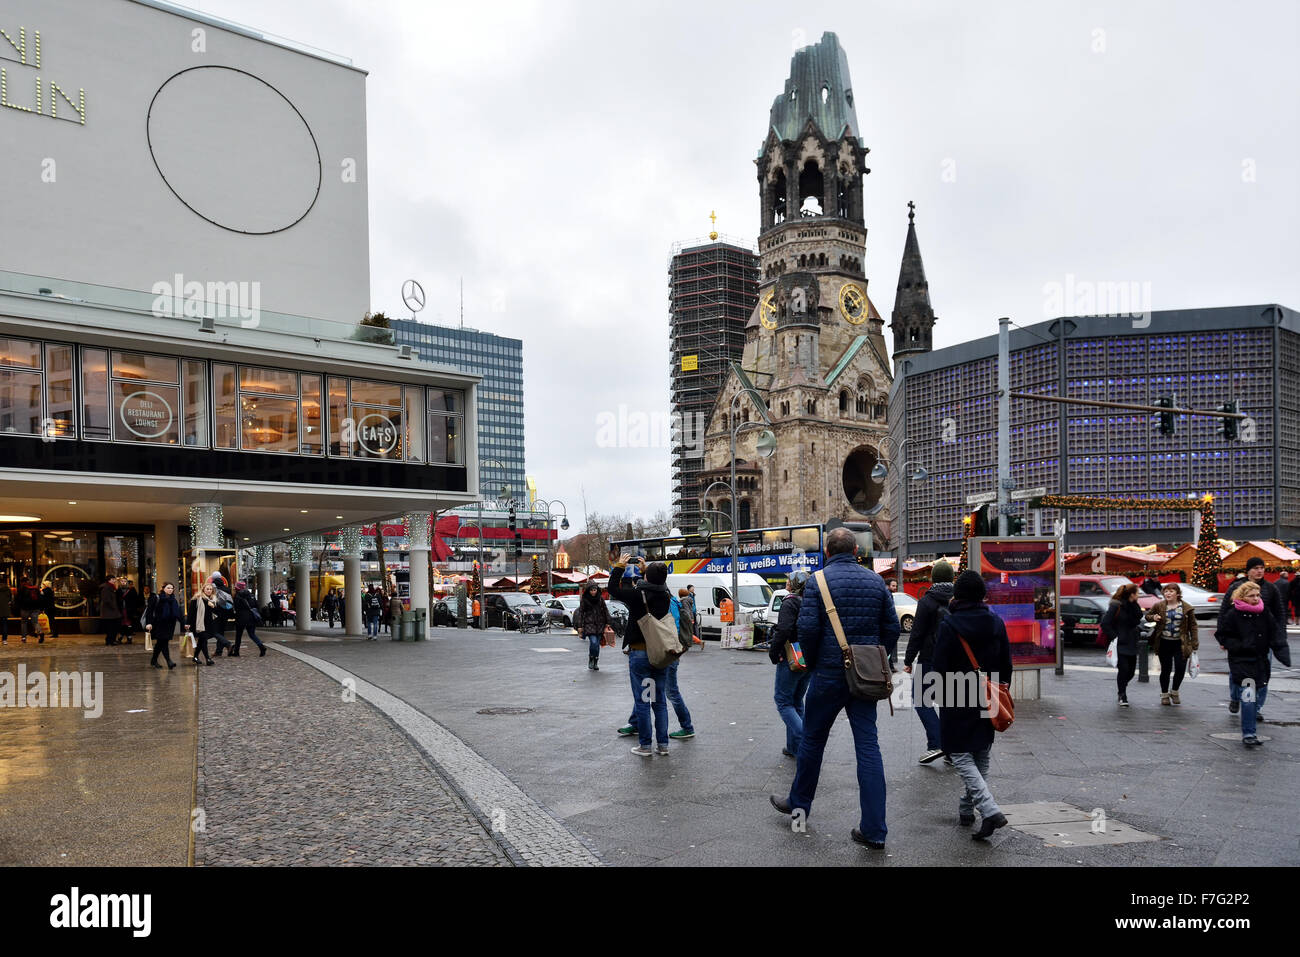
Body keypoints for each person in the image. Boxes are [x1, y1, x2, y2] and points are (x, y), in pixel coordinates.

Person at [770, 527, 900, 850]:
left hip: (828, 675)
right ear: (856, 551)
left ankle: (799, 807)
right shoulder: (876, 582)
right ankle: (874, 830)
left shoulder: (818, 581)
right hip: (864, 677)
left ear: (827, 552)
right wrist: (874, 654)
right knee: (869, 748)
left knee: (813, 741)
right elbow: (893, 628)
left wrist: (814, 664)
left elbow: (808, 629)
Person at [932, 571, 1014, 840]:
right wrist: (1001, 688)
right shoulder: (995, 621)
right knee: (981, 752)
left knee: (959, 753)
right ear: (982, 594)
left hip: (956, 694)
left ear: (959, 595)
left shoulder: (950, 624)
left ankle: (989, 810)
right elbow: (1006, 663)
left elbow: (939, 666)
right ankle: (967, 809)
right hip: (988, 693)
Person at [1215, 580, 1291, 747]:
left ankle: (1245, 718)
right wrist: (1240, 646)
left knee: (1257, 693)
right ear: (1243, 597)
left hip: (1260, 660)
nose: (1256, 598)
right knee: (1248, 695)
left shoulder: (1264, 613)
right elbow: (1223, 635)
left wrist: (1282, 652)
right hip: (1242, 660)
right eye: (1252, 596)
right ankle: (1249, 733)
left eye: (1258, 595)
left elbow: (1275, 634)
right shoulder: (1233, 614)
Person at [609, 556, 671, 757]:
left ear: (647, 577)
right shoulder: (666, 595)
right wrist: (648, 571)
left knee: (643, 701)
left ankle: (645, 746)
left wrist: (619, 566)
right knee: (659, 700)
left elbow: (613, 589)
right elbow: (660, 584)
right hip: (660, 654)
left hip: (641, 653)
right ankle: (663, 745)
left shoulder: (638, 594)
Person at [1216, 556, 1288, 713]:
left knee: (1263, 675)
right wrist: (1223, 639)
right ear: (1248, 571)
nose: (1259, 571)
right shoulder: (1236, 587)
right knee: (1237, 673)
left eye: (1262, 567)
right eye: (1255, 568)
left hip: (1264, 640)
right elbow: (1224, 613)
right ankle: (1235, 697)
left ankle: (1256, 709)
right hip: (1240, 639)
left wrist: (1280, 637)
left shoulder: (1271, 589)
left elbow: (1280, 614)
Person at [904, 559, 954, 764]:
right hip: (953, 659)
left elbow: (917, 633)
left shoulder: (927, 600)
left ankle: (937, 742)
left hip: (929, 658)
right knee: (948, 704)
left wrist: (908, 660)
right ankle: (951, 751)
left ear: (933, 578)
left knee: (921, 700)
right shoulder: (958, 599)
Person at [768, 569, 811, 759]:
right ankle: (793, 747)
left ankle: (806, 742)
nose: (786, 583)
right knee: (796, 702)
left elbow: (784, 629)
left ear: (793, 585)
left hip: (792, 656)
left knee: (783, 701)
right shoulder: (810, 602)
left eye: (789, 581)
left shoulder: (790, 601)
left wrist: (774, 651)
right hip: (808, 656)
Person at [1144, 582, 1198, 705]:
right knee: (1166, 670)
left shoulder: (1186, 608)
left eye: (1171, 591)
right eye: (1166, 591)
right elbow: (1148, 616)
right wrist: (1154, 618)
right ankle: (1164, 695)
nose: (1168, 593)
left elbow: (1193, 626)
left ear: (1177, 594)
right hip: (1164, 642)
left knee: (1180, 668)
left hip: (1181, 643)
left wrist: (1194, 642)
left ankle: (1174, 691)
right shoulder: (1159, 605)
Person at [1101, 583, 1143, 706]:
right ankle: (1122, 694)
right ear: (1132, 594)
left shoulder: (1134, 605)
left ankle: (1122, 687)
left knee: (1131, 672)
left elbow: (1136, 619)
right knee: (1124, 669)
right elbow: (1105, 624)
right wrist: (1115, 637)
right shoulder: (1116, 606)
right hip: (1120, 643)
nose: (1139, 595)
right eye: (1137, 593)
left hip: (1132, 642)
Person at [663, 585, 695, 740]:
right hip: (671, 650)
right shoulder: (673, 600)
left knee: (671, 691)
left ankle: (687, 726)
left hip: (670, 651)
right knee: (650, 688)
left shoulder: (668, 602)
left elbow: (673, 625)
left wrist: (672, 647)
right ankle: (635, 721)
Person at [144, 582, 182, 669]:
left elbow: (177, 613)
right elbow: (149, 611)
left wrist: (184, 624)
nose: (170, 590)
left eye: (172, 588)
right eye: (168, 588)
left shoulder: (173, 599)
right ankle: (169, 661)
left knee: (160, 643)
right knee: (163, 642)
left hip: (170, 625)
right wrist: (148, 623)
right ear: (163, 588)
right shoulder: (156, 598)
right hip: (159, 624)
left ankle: (153, 660)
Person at [572, 583, 610, 671]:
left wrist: (608, 622)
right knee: (593, 642)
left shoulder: (600, 599)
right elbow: (581, 613)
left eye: (595, 590)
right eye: (592, 590)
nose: (593, 592)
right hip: (589, 624)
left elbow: (605, 610)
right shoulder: (584, 600)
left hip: (600, 624)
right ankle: (591, 658)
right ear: (589, 591)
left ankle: (595, 661)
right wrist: (580, 626)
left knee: (597, 645)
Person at [187, 581, 220, 665]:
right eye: (207, 589)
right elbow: (191, 612)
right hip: (199, 624)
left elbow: (216, 613)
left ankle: (195, 656)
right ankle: (208, 659)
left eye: (210, 589)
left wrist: (212, 606)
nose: (209, 591)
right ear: (203, 590)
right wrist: (187, 623)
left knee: (202, 641)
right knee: (204, 640)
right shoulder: (197, 599)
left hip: (209, 624)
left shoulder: (213, 600)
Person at [231, 582, 267, 656]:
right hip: (251, 617)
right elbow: (257, 606)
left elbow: (236, 608)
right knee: (252, 634)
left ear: (237, 588)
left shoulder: (237, 596)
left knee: (238, 635)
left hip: (241, 618)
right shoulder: (251, 595)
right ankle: (261, 646)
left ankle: (236, 652)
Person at [98, 577, 121, 646]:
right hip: (109, 611)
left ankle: (111, 640)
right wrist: (113, 606)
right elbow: (106, 599)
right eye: (113, 579)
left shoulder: (111, 587)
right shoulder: (106, 587)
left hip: (111, 611)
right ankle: (110, 641)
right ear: (109, 580)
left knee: (112, 626)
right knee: (111, 626)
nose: (114, 581)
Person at [0, 580, 11, 645]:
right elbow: (10, 600)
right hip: (4, 610)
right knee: (4, 624)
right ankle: (4, 640)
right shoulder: (7, 589)